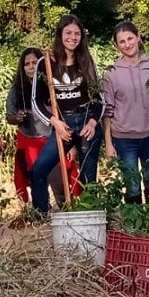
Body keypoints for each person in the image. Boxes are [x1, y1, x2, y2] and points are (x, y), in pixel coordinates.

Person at [28, 14, 103, 215]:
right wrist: (55, 123)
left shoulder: (86, 61)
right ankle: (41, 215)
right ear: (60, 34)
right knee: (38, 170)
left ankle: (89, 218)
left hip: (87, 123)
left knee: (88, 179)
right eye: (68, 33)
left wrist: (93, 123)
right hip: (64, 125)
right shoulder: (46, 63)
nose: (73, 37)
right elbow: (36, 101)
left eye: (77, 33)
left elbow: (99, 99)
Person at [102, 21, 149, 205]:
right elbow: (107, 111)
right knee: (132, 185)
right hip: (124, 139)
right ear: (117, 45)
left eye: (130, 38)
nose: (127, 44)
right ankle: (135, 220)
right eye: (122, 41)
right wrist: (108, 143)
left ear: (138, 37)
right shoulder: (112, 73)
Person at [6, 47, 68, 206]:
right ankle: (41, 213)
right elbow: (9, 116)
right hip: (29, 141)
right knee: (36, 181)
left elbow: (63, 112)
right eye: (27, 64)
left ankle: (65, 210)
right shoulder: (16, 90)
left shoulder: (52, 86)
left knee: (59, 181)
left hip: (51, 139)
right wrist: (17, 117)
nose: (31, 67)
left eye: (35, 62)